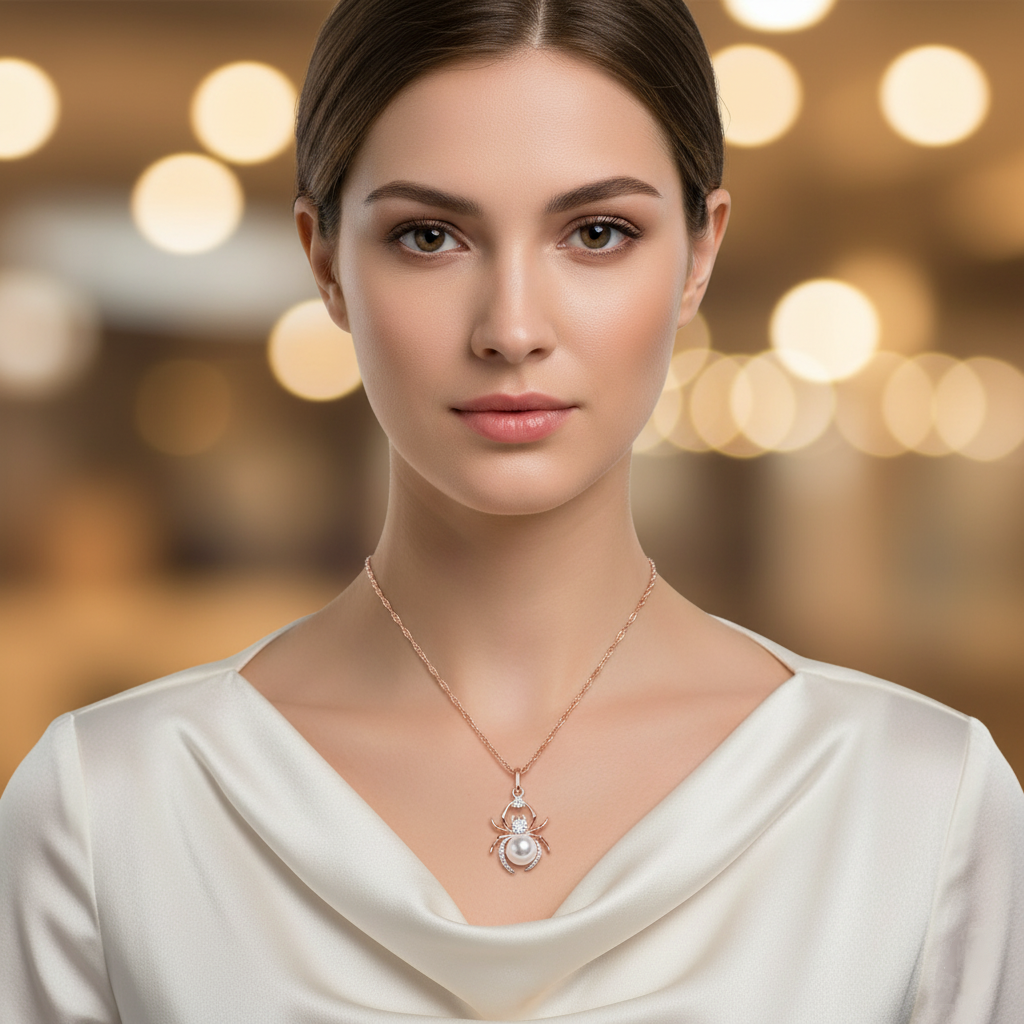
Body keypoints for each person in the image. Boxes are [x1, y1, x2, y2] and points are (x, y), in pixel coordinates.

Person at [1, 0, 1022, 1020]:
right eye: (430, 235)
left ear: (698, 255)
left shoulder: (923, 808)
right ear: (324, 262)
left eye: (596, 232)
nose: (512, 327)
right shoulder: (107, 812)